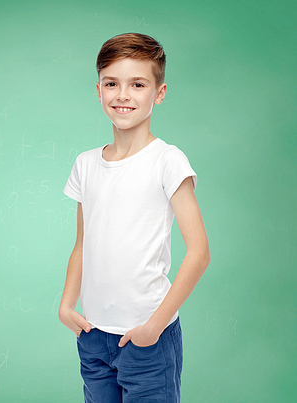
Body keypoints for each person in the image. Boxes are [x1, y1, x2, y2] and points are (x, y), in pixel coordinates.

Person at [59, 33, 210, 402]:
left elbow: (199, 253)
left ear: (158, 93)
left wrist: (154, 327)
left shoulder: (167, 161)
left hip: (147, 338)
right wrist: (66, 305)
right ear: (99, 90)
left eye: (137, 84)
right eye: (112, 83)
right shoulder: (85, 164)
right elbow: (84, 243)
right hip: (94, 336)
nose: (123, 95)